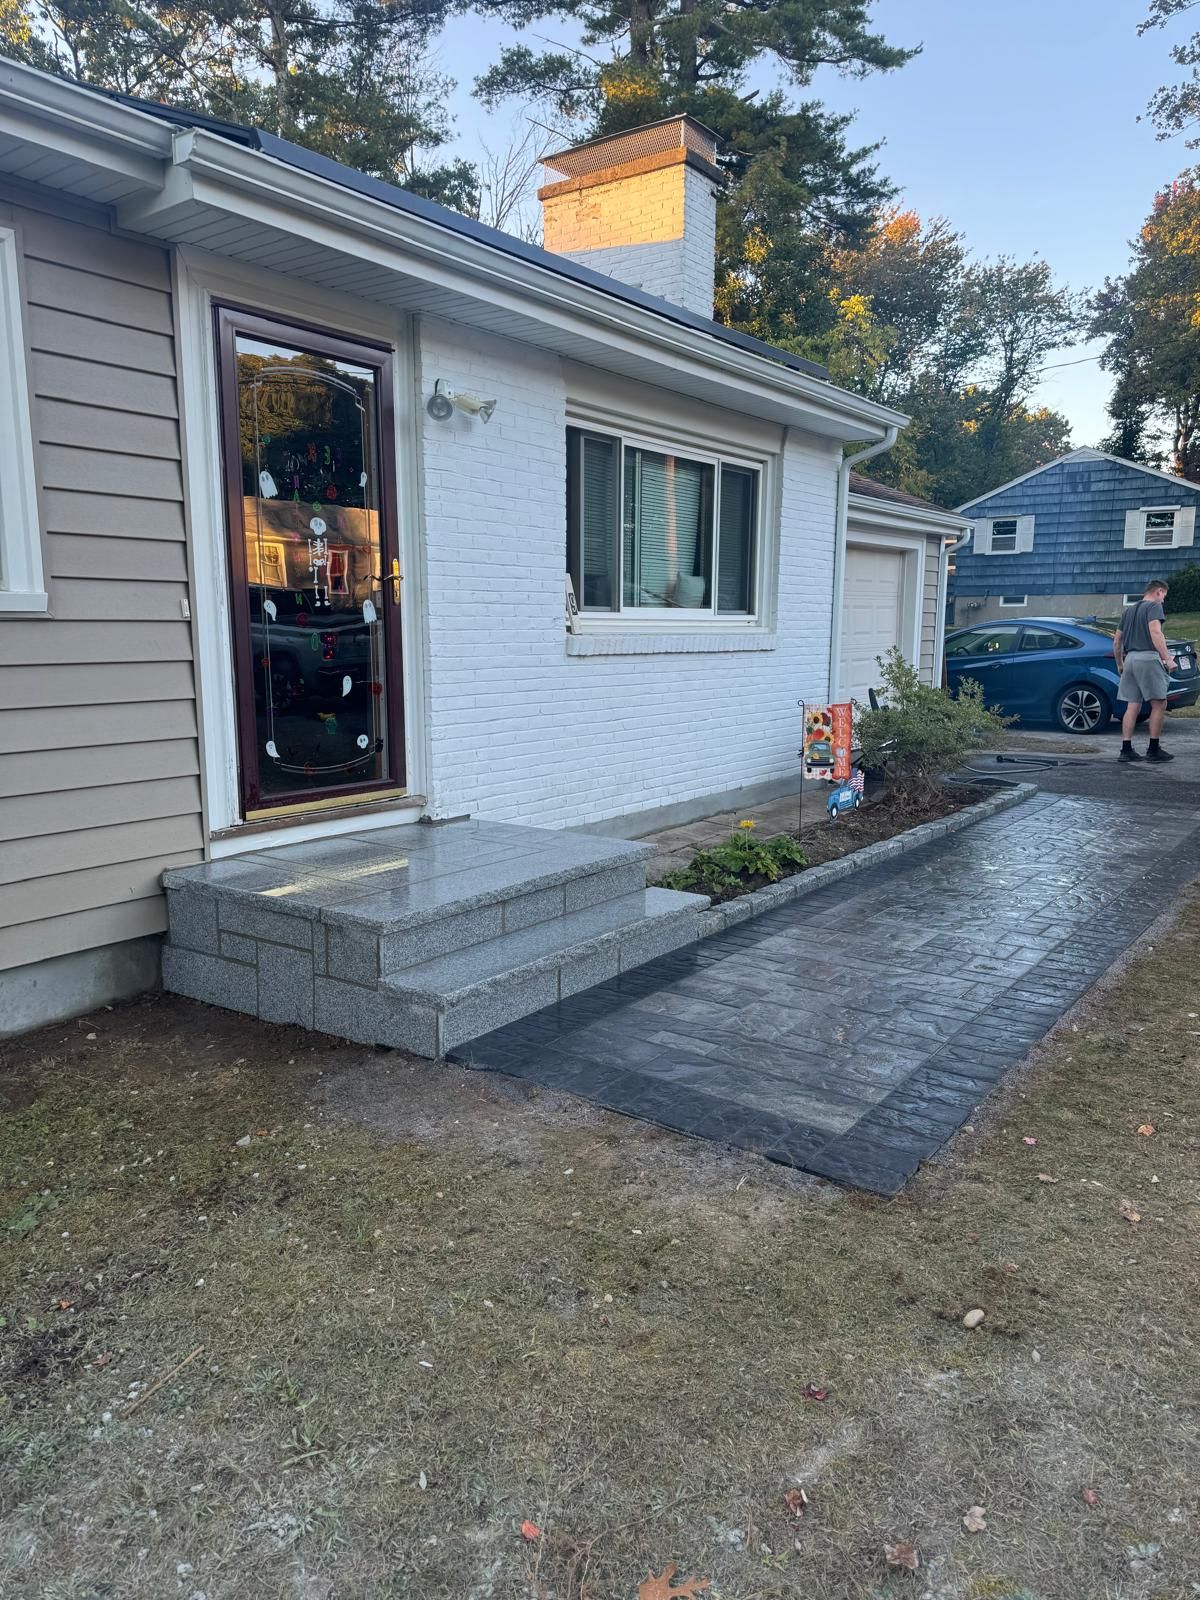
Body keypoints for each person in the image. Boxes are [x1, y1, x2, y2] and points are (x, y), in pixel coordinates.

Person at [1114, 579, 1176, 763]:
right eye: (1164, 596)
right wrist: (1167, 658)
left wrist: (1120, 664)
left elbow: (1117, 641)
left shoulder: (1128, 611)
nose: (1163, 600)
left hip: (1130, 659)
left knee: (1133, 705)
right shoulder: (1154, 607)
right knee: (1159, 703)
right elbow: (1155, 632)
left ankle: (1126, 750)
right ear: (1158, 591)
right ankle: (1153, 750)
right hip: (1148, 657)